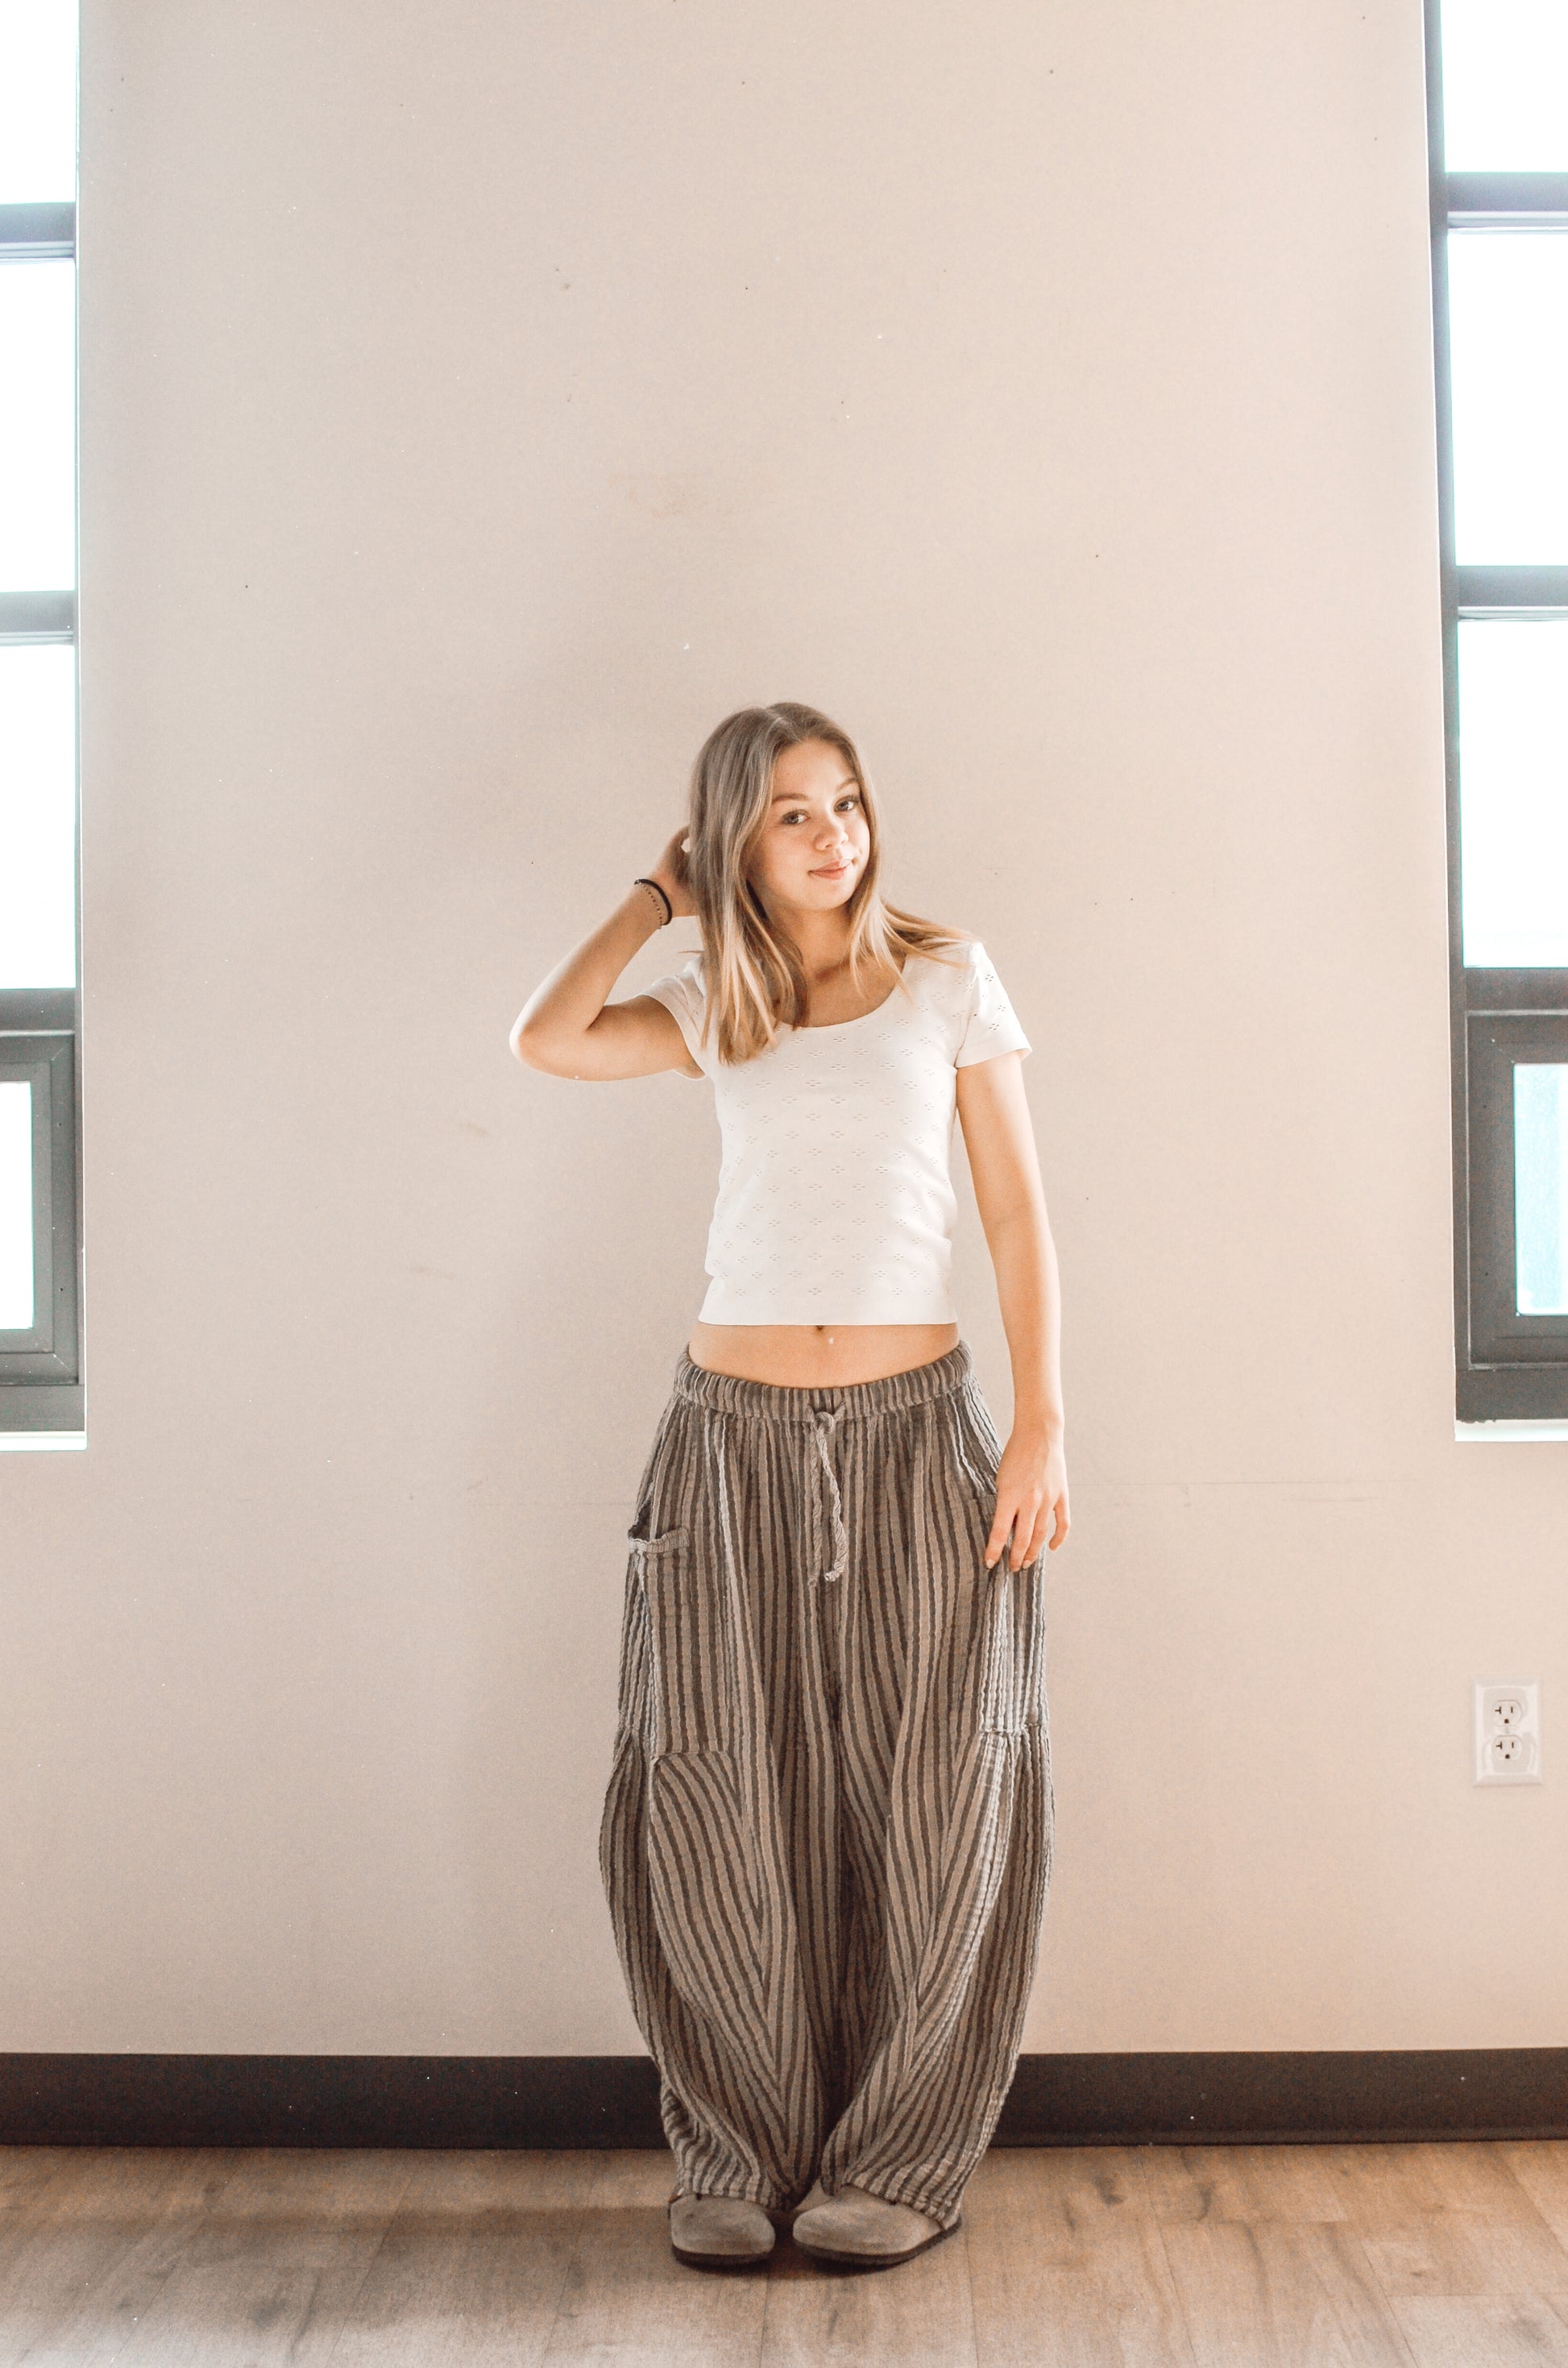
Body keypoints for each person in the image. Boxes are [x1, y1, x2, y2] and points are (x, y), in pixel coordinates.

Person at [510, 700, 1068, 2273]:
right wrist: (651, 899)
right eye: (792, 817)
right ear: (734, 841)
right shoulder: (717, 996)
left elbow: (1017, 1214)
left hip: (919, 1432)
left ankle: (898, 2151)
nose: (833, 838)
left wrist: (1042, 1422)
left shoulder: (947, 979)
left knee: (942, 1784)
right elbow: (542, 1040)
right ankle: (736, 2147)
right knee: (709, 1778)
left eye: (846, 805)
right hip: (727, 1433)